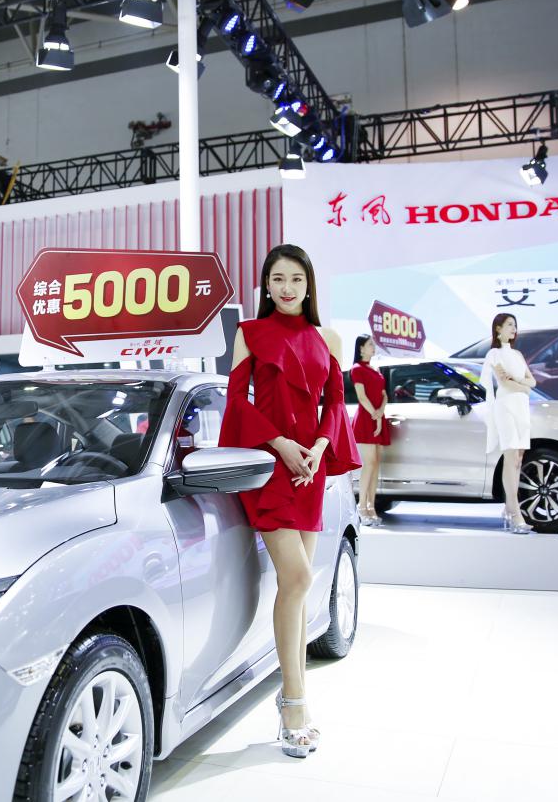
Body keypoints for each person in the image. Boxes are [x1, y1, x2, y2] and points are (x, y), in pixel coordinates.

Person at [219, 244, 361, 758]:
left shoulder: (329, 338)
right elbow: (236, 402)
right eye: (277, 278)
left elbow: (335, 403)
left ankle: (294, 693)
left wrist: (320, 448)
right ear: (266, 285)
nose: (286, 288)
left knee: (296, 589)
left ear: (308, 285)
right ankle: (293, 703)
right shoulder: (249, 333)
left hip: (311, 471)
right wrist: (280, 444)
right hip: (271, 465)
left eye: (296, 279)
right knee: (298, 578)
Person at [480, 313, 536, 534]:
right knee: (511, 455)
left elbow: (533, 380)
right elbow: (505, 382)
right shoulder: (494, 354)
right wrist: (524, 387)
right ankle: (515, 512)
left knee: (519, 458)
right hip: (506, 406)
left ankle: (509, 507)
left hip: (521, 407)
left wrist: (521, 382)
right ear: (498, 328)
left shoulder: (518, 354)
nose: (514, 329)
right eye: (510, 325)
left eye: (515, 325)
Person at [351, 335, 390, 524]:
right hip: (366, 419)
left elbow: (384, 395)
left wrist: (380, 413)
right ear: (361, 348)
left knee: (375, 465)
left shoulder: (376, 369)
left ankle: (371, 506)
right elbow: (361, 396)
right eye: (370, 345)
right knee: (369, 463)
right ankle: (361, 507)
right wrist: (375, 415)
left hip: (378, 418)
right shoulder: (357, 369)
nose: (373, 347)